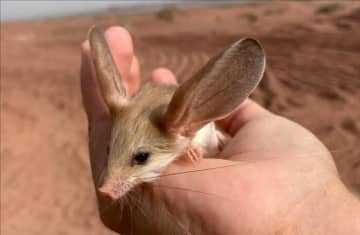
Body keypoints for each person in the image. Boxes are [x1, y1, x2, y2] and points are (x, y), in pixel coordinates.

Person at [80, 26, 360, 235]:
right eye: (109, 151)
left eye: (141, 158)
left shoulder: (186, 125)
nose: (108, 185)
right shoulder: (130, 117)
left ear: (186, 128)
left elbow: (202, 132)